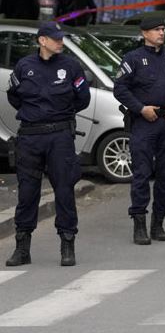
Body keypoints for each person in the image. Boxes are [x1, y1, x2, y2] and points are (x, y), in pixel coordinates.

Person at [5, 22, 91, 267]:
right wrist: (35, 114)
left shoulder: (71, 66)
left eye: (61, 38)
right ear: (42, 40)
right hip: (30, 137)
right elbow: (14, 96)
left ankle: (67, 244)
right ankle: (22, 248)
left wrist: (59, 114)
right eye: (55, 39)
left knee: (64, 190)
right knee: (27, 192)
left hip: (60, 136)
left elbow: (83, 98)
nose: (60, 42)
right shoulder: (24, 66)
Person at [113, 17, 165, 246]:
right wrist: (140, 108)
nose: (161, 33)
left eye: (163, 29)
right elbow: (120, 88)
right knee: (141, 174)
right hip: (144, 123)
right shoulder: (133, 58)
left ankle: (158, 222)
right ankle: (139, 223)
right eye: (156, 29)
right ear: (144, 33)